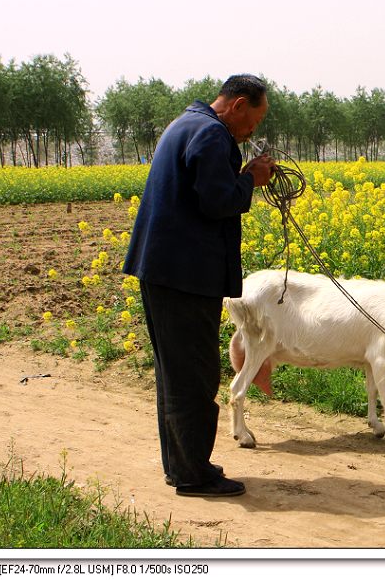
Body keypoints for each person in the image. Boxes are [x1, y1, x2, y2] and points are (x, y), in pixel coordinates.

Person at [123, 74, 275, 497]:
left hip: (164, 272)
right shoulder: (211, 134)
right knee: (195, 374)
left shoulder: (188, 123)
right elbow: (216, 201)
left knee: (176, 374)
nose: (251, 133)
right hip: (184, 275)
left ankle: (183, 465)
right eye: (253, 123)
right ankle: (193, 474)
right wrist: (252, 180)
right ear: (239, 104)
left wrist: (241, 175)